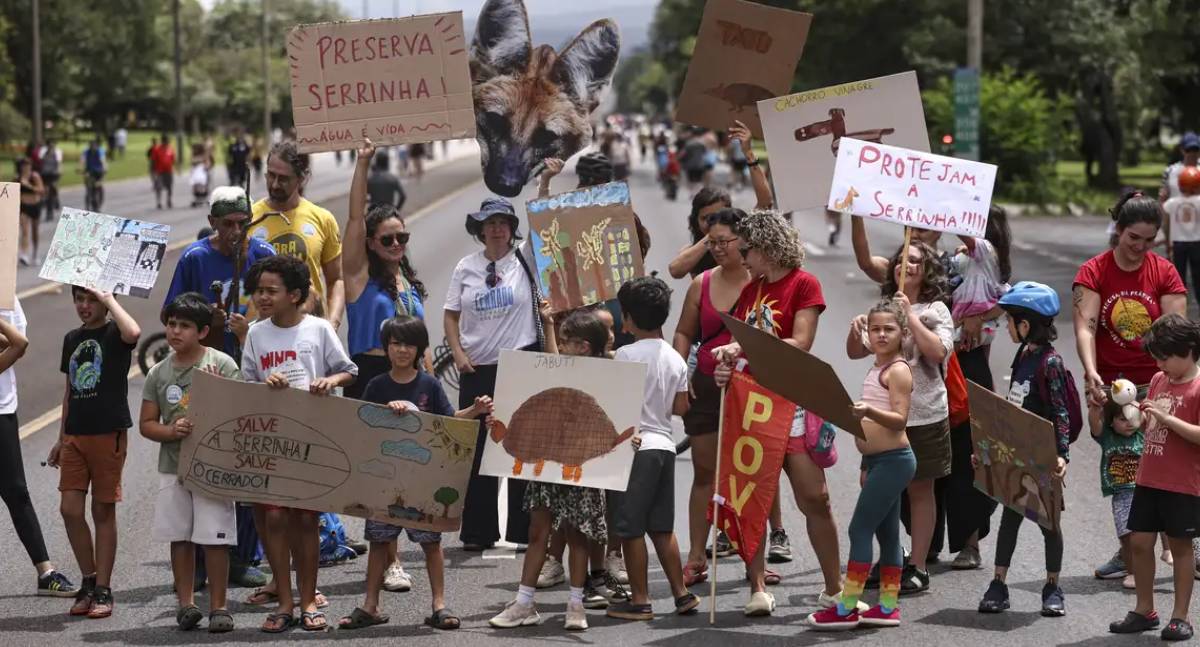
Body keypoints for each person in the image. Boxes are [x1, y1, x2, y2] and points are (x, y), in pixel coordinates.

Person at [709, 211, 842, 614]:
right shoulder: (752, 290)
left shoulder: (804, 283)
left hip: (793, 405)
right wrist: (724, 367)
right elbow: (736, 347)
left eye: (746, 249)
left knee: (814, 497)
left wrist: (742, 349)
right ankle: (758, 588)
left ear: (767, 246)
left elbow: (801, 341)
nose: (742, 258)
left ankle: (835, 588)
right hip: (752, 408)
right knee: (752, 499)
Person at [850, 218, 993, 574]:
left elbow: (939, 353)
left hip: (925, 414)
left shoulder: (936, 311)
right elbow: (858, 352)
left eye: (914, 261)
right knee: (880, 488)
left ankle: (917, 566)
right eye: (901, 260)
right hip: (883, 418)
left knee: (920, 490)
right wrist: (858, 333)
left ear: (926, 270)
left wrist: (910, 317)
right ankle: (891, 558)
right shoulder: (886, 309)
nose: (905, 266)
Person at [339, 315, 492, 632]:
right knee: (379, 542)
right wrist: (386, 412)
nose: (402, 350)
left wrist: (475, 410)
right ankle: (370, 605)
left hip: (423, 481)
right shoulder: (377, 385)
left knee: (431, 543)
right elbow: (361, 425)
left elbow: (448, 421)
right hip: (384, 480)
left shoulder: (430, 385)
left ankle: (439, 605)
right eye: (395, 343)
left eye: (409, 344)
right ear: (386, 348)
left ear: (420, 349)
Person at [240, 255, 357, 633]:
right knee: (272, 518)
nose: (262, 297)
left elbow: (349, 371)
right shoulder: (256, 334)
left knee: (306, 519)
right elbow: (244, 386)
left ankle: (309, 598)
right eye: (258, 290)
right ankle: (286, 601)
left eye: (270, 291)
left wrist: (330, 382)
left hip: (311, 439)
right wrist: (264, 383)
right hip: (270, 440)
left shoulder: (319, 329)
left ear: (294, 294)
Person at [490, 309, 627, 631]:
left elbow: (618, 416)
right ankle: (524, 602)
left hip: (582, 469)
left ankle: (576, 603)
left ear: (583, 346)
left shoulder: (609, 377)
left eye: (566, 341)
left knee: (578, 533)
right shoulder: (553, 371)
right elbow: (547, 364)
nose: (560, 347)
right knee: (539, 531)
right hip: (547, 463)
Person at [1075, 191, 1187, 580]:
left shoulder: (1165, 272)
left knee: (1168, 470)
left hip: (1159, 384)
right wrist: (1092, 373)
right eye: (1132, 238)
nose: (1140, 247)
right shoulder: (1094, 271)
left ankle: (1183, 545)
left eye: (1149, 240)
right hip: (1114, 386)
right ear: (1118, 231)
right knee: (1124, 473)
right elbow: (1086, 325)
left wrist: (1169, 389)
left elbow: (1177, 335)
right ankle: (1131, 552)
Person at [344, 140, 428, 591]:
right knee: (378, 474)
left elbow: (421, 340)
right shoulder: (359, 278)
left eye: (402, 238)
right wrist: (363, 162)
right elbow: (356, 218)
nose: (396, 244)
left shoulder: (408, 283)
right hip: (371, 380)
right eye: (388, 239)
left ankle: (394, 553)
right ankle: (390, 561)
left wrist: (429, 384)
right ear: (372, 244)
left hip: (411, 379)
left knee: (405, 471)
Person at [445, 197, 547, 550]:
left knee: (520, 448)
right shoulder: (465, 267)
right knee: (476, 452)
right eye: (489, 223)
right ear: (480, 229)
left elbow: (544, 222)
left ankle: (523, 532)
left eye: (503, 222)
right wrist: (458, 353)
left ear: (511, 227)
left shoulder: (525, 258)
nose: (496, 229)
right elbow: (451, 313)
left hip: (521, 365)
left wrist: (545, 182)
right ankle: (477, 531)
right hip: (478, 370)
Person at [807, 299, 915, 630]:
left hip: (895, 461)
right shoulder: (877, 366)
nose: (881, 335)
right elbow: (855, 347)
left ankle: (848, 607)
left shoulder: (897, 370)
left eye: (889, 329)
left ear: (903, 333)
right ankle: (886, 607)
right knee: (888, 535)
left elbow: (899, 420)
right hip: (879, 461)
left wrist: (867, 411)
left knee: (859, 529)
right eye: (876, 329)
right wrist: (867, 461)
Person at [139, 294, 240, 633]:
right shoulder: (158, 372)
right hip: (173, 466)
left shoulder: (223, 365)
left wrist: (216, 389)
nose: (175, 331)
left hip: (213, 466)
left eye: (184, 326)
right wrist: (170, 430)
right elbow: (147, 424)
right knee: (180, 536)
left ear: (203, 331)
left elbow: (239, 416)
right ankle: (186, 604)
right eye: (171, 324)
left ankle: (220, 606)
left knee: (215, 537)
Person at [605, 276, 701, 621]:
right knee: (661, 526)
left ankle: (641, 600)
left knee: (630, 526)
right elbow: (681, 408)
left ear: (628, 318)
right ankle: (681, 593)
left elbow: (612, 402)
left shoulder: (624, 355)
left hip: (635, 447)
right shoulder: (675, 358)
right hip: (664, 446)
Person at [975, 282, 1070, 617]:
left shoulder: (1050, 362)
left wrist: (1062, 455)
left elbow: (1060, 411)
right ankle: (998, 584)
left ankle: (1052, 586)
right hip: (1015, 450)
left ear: (1025, 325)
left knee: (1049, 524)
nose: (1007, 328)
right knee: (1010, 518)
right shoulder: (1025, 354)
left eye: (1010, 321)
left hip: (1042, 456)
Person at [47, 287, 141, 619]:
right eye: (79, 299)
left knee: (103, 511)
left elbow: (134, 332)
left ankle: (103, 588)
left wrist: (111, 299)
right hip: (75, 436)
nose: (84, 306)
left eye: (92, 300)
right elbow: (70, 390)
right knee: (70, 509)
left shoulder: (116, 332)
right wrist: (61, 437)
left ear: (105, 302)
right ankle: (88, 579)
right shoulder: (72, 338)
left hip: (108, 432)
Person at [671, 207, 752, 586]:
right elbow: (684, 333)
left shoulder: (762, 282)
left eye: (725, 242)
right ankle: (696, 555)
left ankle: (754, 559)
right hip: (704, 389)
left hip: (751, 392)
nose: (718, 249)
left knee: (746, 476)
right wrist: (680, 371)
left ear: (745, 241)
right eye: (713, 242)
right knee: (705, 471)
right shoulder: (700, 283)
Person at [1109, 314, 1200, 641]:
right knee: (1139, 542)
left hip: (1182, 482)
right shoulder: (1160, 379)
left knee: (1180, 547)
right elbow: (1151, 426)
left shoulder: (1197, 386)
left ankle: (1180, 616)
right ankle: (1143, 609)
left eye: (1165, 357)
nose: (1160, 364)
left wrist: (1166, 417)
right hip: (1149, 477)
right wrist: (1138, 413)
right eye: (1157, 358)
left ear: (1188, 350)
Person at [0, 297, 77, 598]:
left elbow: (17, 342)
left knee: (16, 491)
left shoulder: (6, 293)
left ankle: (45, 572)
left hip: (3, 409)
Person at [163, 186, 276, 359]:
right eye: (228, 224)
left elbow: (284, 310)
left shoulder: (265, 254)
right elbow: (168, 315)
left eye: (243, 223)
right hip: (207, 362)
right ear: (212, 222)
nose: (237, 231)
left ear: (252, 220)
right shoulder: (194, 258)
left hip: (260, 357)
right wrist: (206, 320)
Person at [251, 140, 346, 331]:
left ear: (302, 178)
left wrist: (333, 323)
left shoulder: (322, 219)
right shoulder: (249, 218)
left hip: (308, 332)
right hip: (263, 333)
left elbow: (336, 280)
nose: (275, 184)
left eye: (284, 178)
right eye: (271, 175)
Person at [668, 122, 771, 280]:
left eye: (720, 216)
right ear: (695, 220)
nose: (713, 223)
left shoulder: (743, 236)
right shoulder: (693, 251)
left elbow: (765, 203)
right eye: (707, 219)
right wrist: (713, 238)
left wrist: (748, 153)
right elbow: (675, 270)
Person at [1088, 393, 1144, 591]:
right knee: (1127, 537)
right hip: (1122, 495)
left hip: (1145, 492)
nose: (1129, 423)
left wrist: (1140, 408)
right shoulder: (1107, 437)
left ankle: (1169, 552)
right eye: (1122, 419)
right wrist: (1095, 409)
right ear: (1111, 421)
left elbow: (1148, 416)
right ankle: (1132, 572)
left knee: (1151, 533)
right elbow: (1095, 425)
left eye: (1132, 418)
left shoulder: (1143, 434)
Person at [15, 158, 44, 266]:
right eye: (24, 166)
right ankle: (24, 254)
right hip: (24, 207)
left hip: (35, 206)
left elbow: (41, 190)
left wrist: (27, 185)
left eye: (28, 166)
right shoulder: (17, 178)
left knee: (34, 232)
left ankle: (35, 254)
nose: (26, 168)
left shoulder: (34, 176)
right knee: (25, 231)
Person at [1159, 131, 1200, 203]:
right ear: (1182, 150)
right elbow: (1163, 198)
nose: (1192, 153)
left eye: (1195, 149)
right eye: (1188, 150)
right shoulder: (1170, 171)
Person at [150, 134, 176, 209]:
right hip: (160, 171)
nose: (168, 142)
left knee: (169, 187)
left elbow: (173, 159)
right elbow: (153, 161)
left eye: (168, 141)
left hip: (169, 171)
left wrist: (176, 168)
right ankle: (159, 202)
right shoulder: (157, 149)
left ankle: (169, 200)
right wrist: (153, 172)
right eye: (166, 141)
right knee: (159, 187)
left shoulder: (170, 149)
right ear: (163, 141)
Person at [38, 139, 61, 221]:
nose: (51, 147)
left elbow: (58, 163)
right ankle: (48, 208)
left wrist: (59, 171)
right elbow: (41, 161)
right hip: (45, 174)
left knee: (53, 187)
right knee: (47, 192)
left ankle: (56, 200)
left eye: (52, 146)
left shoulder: (57, 152)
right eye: (49, 146)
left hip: (53, 174)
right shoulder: (44, 152)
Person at [81, 138, 106, 211]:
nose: (92, 147)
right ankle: (89, 206)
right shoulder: (87, 152)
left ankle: (96, 205)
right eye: (91, 145)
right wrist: (81, 168)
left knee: (96, 188)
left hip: (98, 172)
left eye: (93, 145)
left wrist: (104, 169)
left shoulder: (100, 151)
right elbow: (82, 160)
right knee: (89, 189)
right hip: (90, 172)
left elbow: (103, 162)